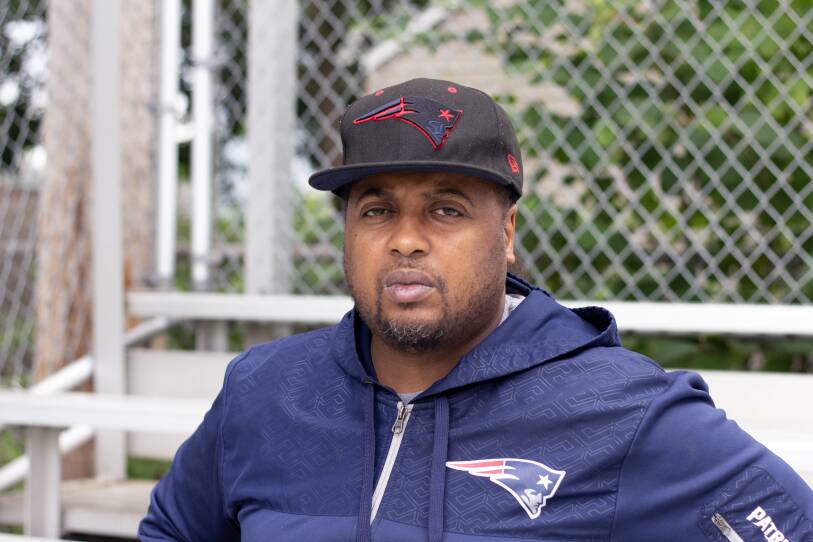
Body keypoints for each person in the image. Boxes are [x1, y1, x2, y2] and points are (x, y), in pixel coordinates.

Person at [139, 78, 813, 541]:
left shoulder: (625, 413)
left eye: (445, 209)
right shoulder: (263, 391)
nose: (405, 238)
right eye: (375, 209)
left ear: (507, 232)